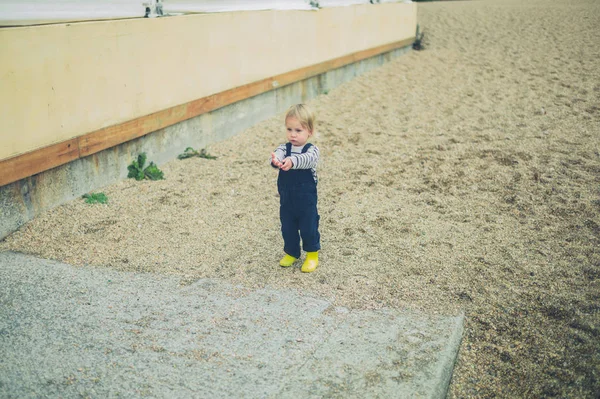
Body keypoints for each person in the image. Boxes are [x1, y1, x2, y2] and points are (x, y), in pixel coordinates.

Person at [270, 104, 321, 273]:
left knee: (308, 226)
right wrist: (276, 161)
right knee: (287, 227)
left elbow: (307, 160)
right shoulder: (284, 149)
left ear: (309, 131)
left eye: (298, 130)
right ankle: (291, 252)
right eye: (289, 129)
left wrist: (292, 162)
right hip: (287, 199)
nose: (293, 134)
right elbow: (277, 154)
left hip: (306, 200)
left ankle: (312, 254)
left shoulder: (311, 150)